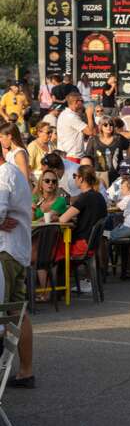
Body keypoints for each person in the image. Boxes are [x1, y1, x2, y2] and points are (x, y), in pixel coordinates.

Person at [0, 148, 34, 388]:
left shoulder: (3, 175)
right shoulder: (12, 172)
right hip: (16, 250)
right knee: (17, 312)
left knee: (9, 311)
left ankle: (23, 370)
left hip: (7, 251)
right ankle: (25, 370)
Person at [53, 166, 107, 292]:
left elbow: (63, 219)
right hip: (92, 243)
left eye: (75, 176)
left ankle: (51, 289)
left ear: (81, 178)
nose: (74, 179)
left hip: (82, 244)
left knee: (50, 252)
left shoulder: (84, 197)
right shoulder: (98, 196)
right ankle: (59, 289)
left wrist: (54, 216)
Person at [32, 169, 67, 300]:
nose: (50, 183)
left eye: (53, 181)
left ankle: (45, 292)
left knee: (39, 254)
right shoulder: (35, 199)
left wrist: (36, 215)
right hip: (35, 236)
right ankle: (42, 290)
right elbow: (30, 219)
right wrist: (33, 207)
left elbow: (48, 217)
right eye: (47, 181)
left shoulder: (60, 201)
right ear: (41, 183)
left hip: (53, 238)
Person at [85, 116, 128, 185]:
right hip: (99, 174)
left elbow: (129, 146)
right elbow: (88, 156)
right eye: (105, 125)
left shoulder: (118, 138)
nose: (109, 127)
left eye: (111, 124)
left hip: (117, 174)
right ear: (101, 127)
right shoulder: (93, 139)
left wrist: (127, 159)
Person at [57, 92, 95, 163]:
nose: (83, 104)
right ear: (76, 102)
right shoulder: (71, 116)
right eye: (82, 101)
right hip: (72, 156)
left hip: (70, 155)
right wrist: (89, 115)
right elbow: (90, 132)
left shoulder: (66, 114)